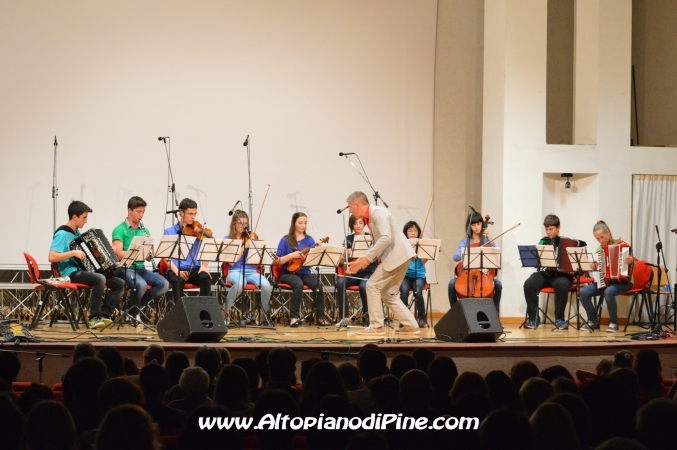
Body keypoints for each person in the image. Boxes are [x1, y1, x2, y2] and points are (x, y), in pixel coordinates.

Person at [345, 191, 420, 336]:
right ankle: (411, 325)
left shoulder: (378, 213)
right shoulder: (373, 215)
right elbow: (380, 243)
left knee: (372, 285)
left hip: (397, 256)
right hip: (401, 256)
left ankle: (377, 326)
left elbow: (385, 239)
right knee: (389, 294)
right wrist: (362, 260)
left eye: (350, 207)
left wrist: (366, 259)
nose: (350, 211)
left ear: (357, 205)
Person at [48, 200, 125, 329]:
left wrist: (109, 251)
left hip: (82, 270)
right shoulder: (62, 234)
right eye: (84, 217)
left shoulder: (77, 233)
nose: (86, 221)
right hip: (70, 272)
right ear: (74, 217)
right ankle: (94, 317)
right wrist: (73, 253)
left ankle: (104, 315)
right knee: (99, 279)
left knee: (120, 283)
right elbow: (51, 257)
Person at [522, 214, 586, 330]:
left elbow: (578, 259)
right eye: (546, 229)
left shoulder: (568, 242)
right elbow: (537, 260)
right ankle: (534, 319)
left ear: (558, 228)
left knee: (561, 284)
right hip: (546, 273)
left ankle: (559, 319)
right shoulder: (543, 241)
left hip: (563, 275)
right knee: (529, 284)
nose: (548, 232)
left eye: (551, 229)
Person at [111, 196, 169, 322]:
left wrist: (149, 252)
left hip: (140, 268)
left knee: (164, 284)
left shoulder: (145, 230)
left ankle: (134, 308)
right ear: (129, 210)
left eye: (143, 212)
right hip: (125, 268)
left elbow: (148, 258)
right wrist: (136, 253)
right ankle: (134, 311)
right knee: (141, 284)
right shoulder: (119, 229)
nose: (141, 215)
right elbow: (117, 253)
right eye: (138, 212)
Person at [273, 212, 329, 327]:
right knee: (298, 284)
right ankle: (294, 317)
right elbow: (278, 261)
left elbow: (311, 262)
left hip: (304, 272)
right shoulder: (285, 240)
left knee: (318, 284)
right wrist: (291, 256)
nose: (303, 225)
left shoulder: (309, 241)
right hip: (287, 273)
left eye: (305, 223)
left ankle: (320, 317)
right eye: (300, 223)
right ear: (294, 223)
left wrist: (315, 253)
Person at [579, 220, 634, 333]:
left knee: (609, 292)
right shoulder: (600, 250)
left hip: (624, 282)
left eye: (602, 237)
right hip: (606, 282)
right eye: (597, 239)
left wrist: (630, 261)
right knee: (583, 292)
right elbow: (599, 270)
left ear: (608, 232)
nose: (600, 240)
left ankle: (614, 323)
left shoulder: (622, 245)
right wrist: (593, 267)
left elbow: (634, 265)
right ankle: (593, 322)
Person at [448, 211, 503, 312]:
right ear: (469, 227)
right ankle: (455, 315)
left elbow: (496, 256)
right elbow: (455, 257)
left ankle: (494, 316)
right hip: (467, 276)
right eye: (473, 225)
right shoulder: (464, 242)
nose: (476, 227)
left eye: (478, 224)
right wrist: (466, 250)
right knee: (452, 283)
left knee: (498, 284)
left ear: (482, 224)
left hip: (484, 276)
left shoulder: (487, 241)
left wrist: (490, 238)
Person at [223, 210, 272, 317]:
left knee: (267, 285)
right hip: (234, 271)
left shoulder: (250, 237)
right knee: (241, 283)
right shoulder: (228, 239)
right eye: (240, 223)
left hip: (251, 271)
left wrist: (255, 249)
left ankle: (262, 312)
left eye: (246, 224)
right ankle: (225, 309)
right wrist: (245, 246)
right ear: (234, 224)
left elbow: (257, 262)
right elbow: (231, 263)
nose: (243, 226)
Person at [162, 198, 212, 303]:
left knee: (205, 277)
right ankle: (181, 314)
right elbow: (165, 256)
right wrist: (177, 271)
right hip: (176, 269)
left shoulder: (198, 231)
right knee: (177, 280)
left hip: (194, 269)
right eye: (190, 214)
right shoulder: (169, 231)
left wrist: (204, 266)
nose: (193, 217)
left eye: (195, 214)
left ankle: (203, 313)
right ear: (181, 213)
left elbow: (208, 249)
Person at [336, 214, 376, 323]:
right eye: (355, 223)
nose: (358, 226)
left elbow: (375, 258)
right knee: (340, 282)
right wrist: (346, 253)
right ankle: (345, 316)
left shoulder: (370, 237)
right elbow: (341, 261)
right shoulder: (348, 239)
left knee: (364, 287)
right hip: (354, 274)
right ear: (351, 225)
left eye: (360, 223)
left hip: (368, 273)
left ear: (364, 224)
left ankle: (366, 314)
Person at [399, 221, 429, 327]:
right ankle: (404, 319)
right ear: (406, 233)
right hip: (405, 276)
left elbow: (424, 262)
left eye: (415, 230)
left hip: (419, 276)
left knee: (418, 292)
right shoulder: (402, 244)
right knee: (404, 292)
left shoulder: (422, 244)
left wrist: (425, 254)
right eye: (410, 231)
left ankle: (421, 318)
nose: (413, 233)